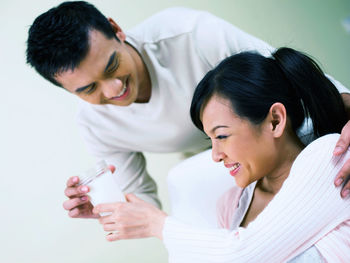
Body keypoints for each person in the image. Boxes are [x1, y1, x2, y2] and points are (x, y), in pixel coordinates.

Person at [26, 1, 350, 227]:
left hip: (288, 141)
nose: (112, 90)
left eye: (112, 66)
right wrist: (108, 209)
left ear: (117, 30)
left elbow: (289, 74)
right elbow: (144, 206)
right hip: (231, 175)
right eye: (87, 89)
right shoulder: (94, 124)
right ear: (68, 91)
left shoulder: (188, 33)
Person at [93, 48, 350, 262]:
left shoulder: (329, 158)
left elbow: (242, 254)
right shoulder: (232, 205)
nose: (215, 156)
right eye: (211, 139)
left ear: (274, 121)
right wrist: (114, 208)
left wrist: (156, 224)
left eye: (223, 135)